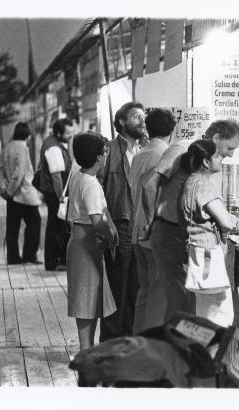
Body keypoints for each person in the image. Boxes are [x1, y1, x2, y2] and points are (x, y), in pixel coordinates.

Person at [143, 118, 239, 322]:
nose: (231, 154)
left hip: (184, 236)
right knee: (181, 303)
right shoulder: (182, 149)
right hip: (170, 233)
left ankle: (186, 350)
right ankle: (176, 351)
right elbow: (150, 185)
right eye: (229, 147)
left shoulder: (206, 165)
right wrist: (151, 221)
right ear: (216, 138)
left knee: (190, 303)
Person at [179, 139, 239, 326]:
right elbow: (225, 222)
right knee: (220, 313)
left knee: (204, 311)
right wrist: (238, 224)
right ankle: (209, 353)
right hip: (207, 252)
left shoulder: (191, 181)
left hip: (196, 250)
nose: (221, 159)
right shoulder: (205, 184)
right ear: (206, 162)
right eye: (217, 156)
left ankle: (199, 352)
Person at [98, 101, 147, 341]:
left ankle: (130, 338)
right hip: (120, 225)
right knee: (118, 287)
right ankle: (111, 341)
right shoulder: (109, 150)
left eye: (143, 116)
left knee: (138, 288)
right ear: (121, 122)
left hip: (143, 227)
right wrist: (107, 223)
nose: (142, 120)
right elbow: (97, 187)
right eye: (136, 116)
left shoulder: (145, 149)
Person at [66, 131, 117, 350]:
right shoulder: (90, 183)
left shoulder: (78, 175)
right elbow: (97, 220)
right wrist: (111, 236)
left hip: (78, 240)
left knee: (87, 298)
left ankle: (86, 348)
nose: (106, 157)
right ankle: (86, 350)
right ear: (99, 156)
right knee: (88, 300)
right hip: (87, 241)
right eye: (105, 152)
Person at [130, 108, 176, 334]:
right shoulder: (165, 154)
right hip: (152, 232)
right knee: (159, 296)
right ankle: (152, 348)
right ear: (172, 129)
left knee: (145, 292)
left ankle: (137, 341)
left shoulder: (139, 154)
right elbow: (151, 188)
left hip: (137, 229)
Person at [0, 122, 42, 265]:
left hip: (11, 195)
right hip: (24, 193)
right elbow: (20, 172)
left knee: (12, 227)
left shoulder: (7, 147)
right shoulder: (23, 148)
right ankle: (29, 255)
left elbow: (1, 171)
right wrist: (11, 190)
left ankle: (13, 257)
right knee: (35, 222)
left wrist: (3, 189)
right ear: (28, 136)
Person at [39, 118, 77, 271]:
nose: (71, 135)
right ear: (58, 133)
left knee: (58, 226)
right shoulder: (53, 148)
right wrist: (61, 196)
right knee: (56, 227)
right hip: (55, 193)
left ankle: (58, 260)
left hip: (55, 192)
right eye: (68, 133)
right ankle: (53, 262)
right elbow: (56, 176)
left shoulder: (54, 143)